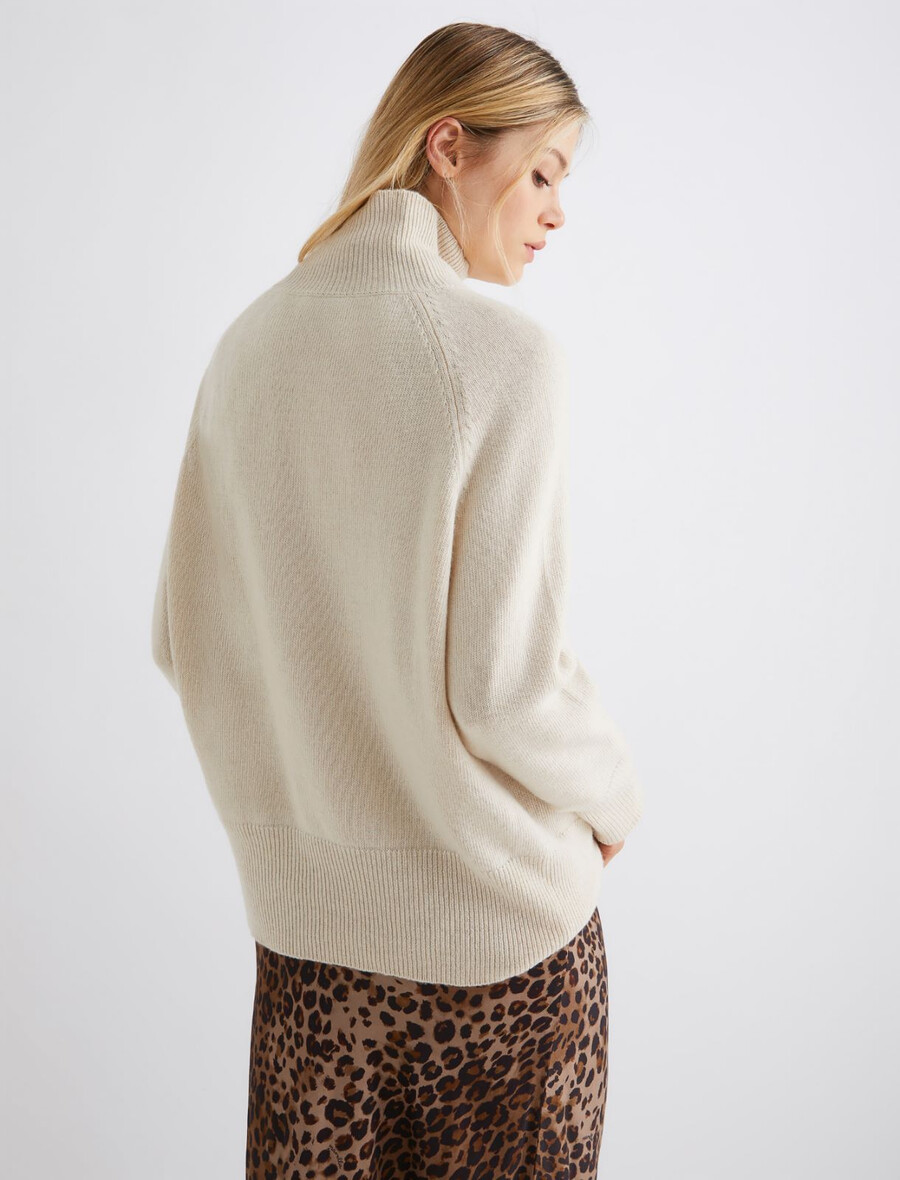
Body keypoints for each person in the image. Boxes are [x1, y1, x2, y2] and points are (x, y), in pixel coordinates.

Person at [151, 21, 645, 1178]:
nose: (556, 213)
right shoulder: (504, 360)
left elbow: (183, 638)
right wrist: (615, 797)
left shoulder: (248, 345)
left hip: (308, 965)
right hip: (503, 966)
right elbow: (507, 686)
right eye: (543, 173)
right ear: (449, 145)